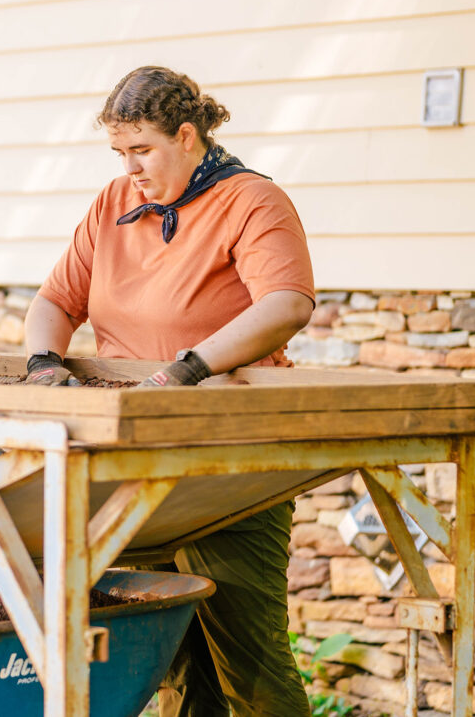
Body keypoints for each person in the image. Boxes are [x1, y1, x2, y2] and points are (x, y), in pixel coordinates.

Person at [23, 66, 316, 716]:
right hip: (133, 453)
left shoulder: (251, 201)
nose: (129, 167)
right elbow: (54, 300)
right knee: (174, 653)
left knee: (248, 654)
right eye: (118, 153)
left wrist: (189, 368)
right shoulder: (112, 205)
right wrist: (44, 362)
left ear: (187, 136)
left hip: (232, 459)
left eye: (142, 150)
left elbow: (287, 303)